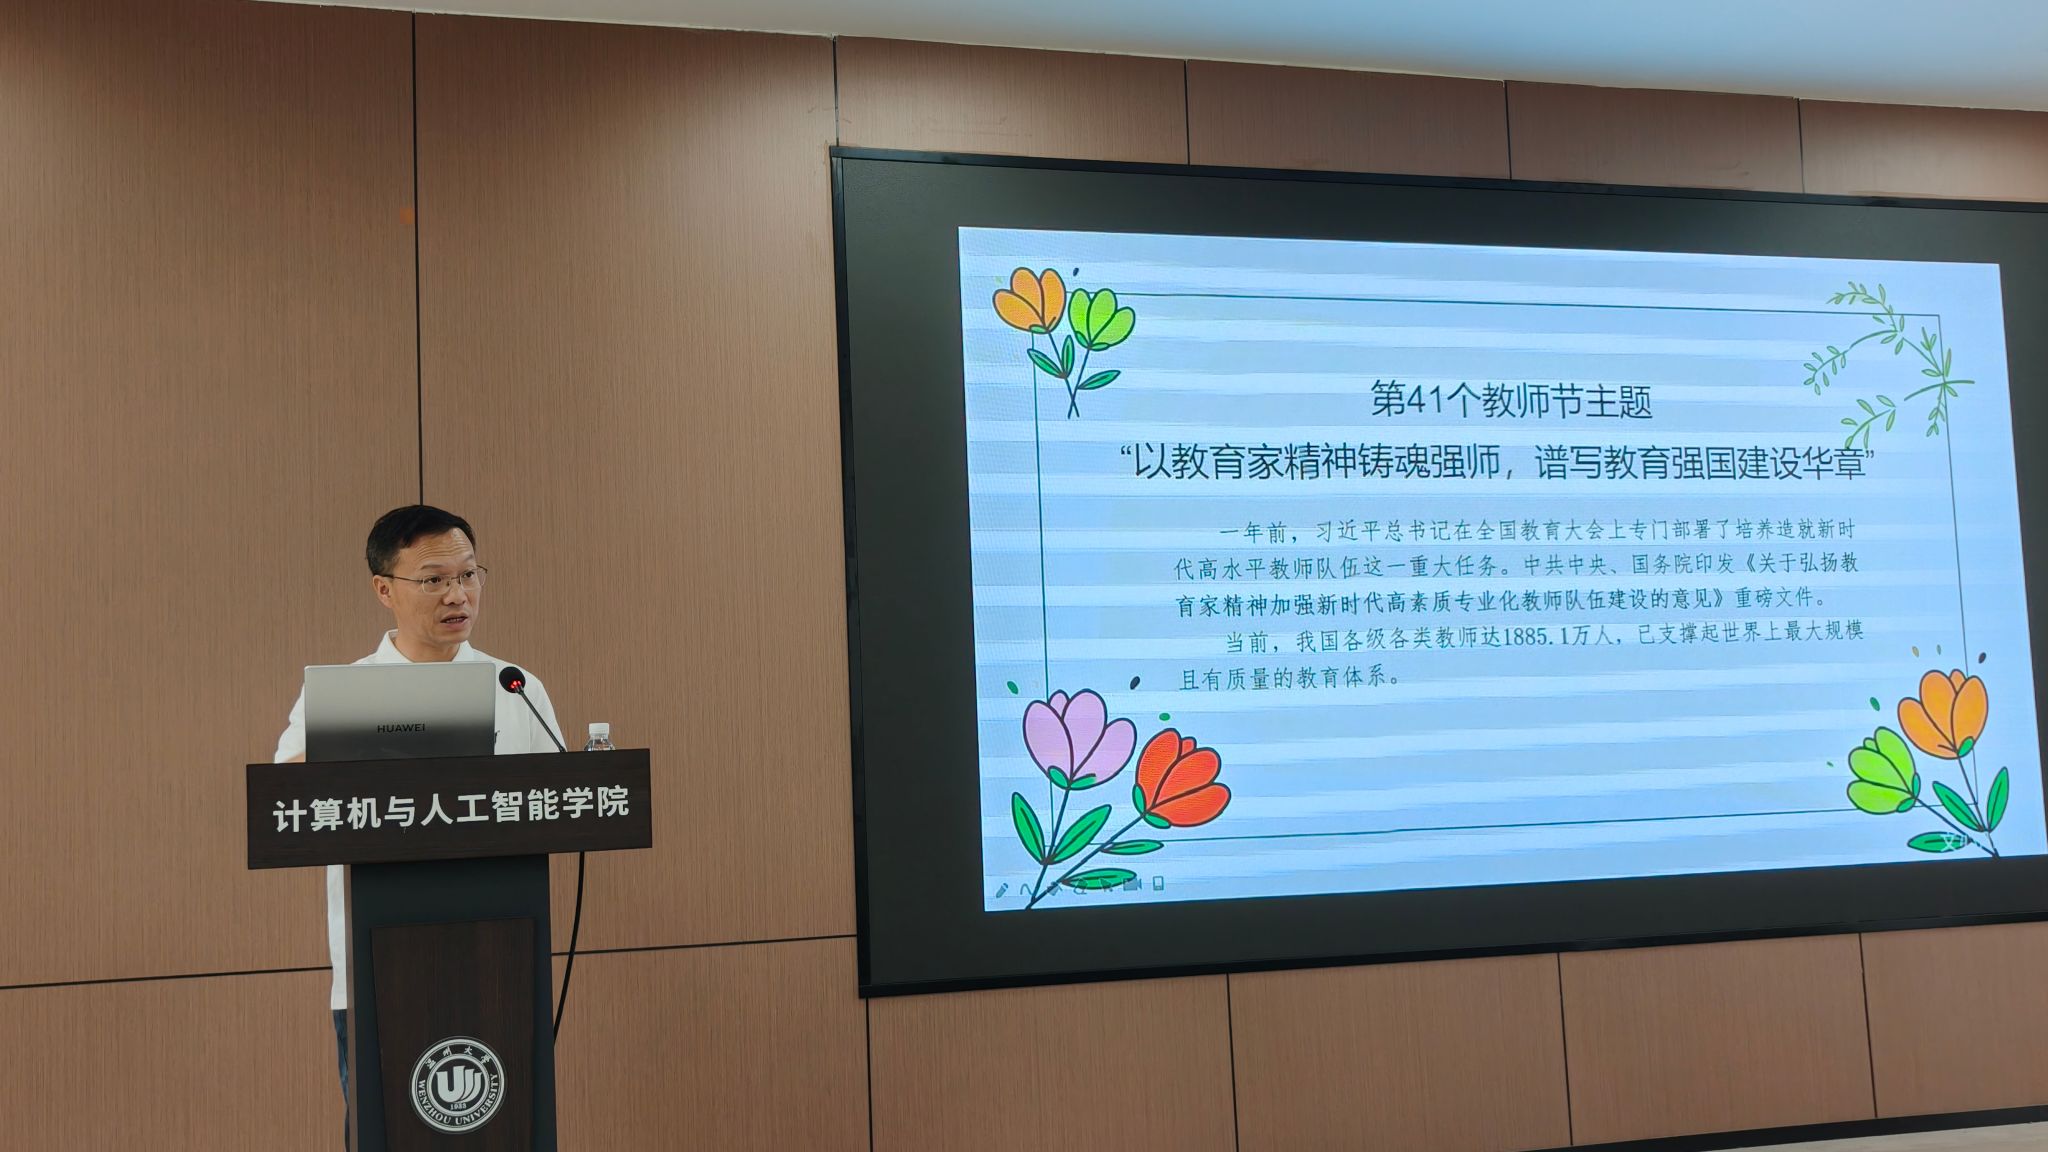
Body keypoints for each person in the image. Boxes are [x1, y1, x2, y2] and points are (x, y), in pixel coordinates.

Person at [271, 504, 563, 1141]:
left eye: (468, 575)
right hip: (379, 967)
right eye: (434, 580)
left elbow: (563, 801)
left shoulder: (514, 686)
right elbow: (284, 797)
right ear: (385, 589)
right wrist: (359, 748)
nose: (458, 595)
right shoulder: (344, 691)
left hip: (500, 960)